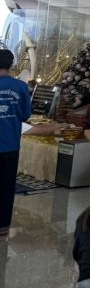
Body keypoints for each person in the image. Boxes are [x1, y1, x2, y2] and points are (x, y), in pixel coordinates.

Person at [0, 47, 31, 237]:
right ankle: (3, 226)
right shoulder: (20, 86)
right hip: (10, 145)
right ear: (11, 65)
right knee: (6, 185)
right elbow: (25, 115)